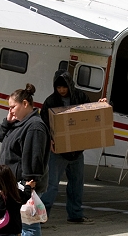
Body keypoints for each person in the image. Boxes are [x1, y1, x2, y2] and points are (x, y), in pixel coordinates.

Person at [0, 83, 50, 236]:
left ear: (25, 103)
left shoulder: (34, 126)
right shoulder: (19, 123)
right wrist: (8, 121)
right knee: (24, 221)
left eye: (13, 107)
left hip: (25, 182)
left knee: (29, 222)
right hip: (14, 182)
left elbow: (33, 157)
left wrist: (30, 183)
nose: (10, 111)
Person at [39, 70, 93, 223]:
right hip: (57, 152)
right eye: (58, 87)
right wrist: (49, 141)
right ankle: (42, 216)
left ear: (70, 85)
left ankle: (75, 214)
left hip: (76, 151)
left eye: (64, 87)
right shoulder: (50, 102)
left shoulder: (80, 97)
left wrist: (103, 104)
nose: (62, 90)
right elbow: (44, 125)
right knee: (51, 186)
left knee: (76, 185)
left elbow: (91, 113)